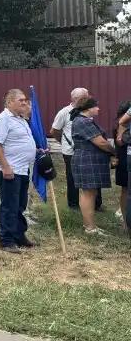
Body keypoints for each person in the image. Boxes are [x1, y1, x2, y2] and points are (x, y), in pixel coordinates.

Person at [0, 89, 37, 254]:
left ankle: (18, 235)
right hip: (9, 170)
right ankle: (6, 240)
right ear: (9, 102)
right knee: (10, 205)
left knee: (20, 204)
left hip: (23, 169)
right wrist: (6, 167)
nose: (25, 103)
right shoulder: (2, 119)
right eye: (21, 100)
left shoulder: (21, 119)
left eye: (25, 100)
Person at [51, 87, 103, 211]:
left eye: (88, 96)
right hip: (70, 151)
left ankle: (96, 204)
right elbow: (54, 131)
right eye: (84, 97)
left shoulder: (86, 110)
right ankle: (74, 204)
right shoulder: (65, 112)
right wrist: (64, 142)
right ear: (75, 99)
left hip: (88, 150)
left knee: (93, 176)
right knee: (72, 177)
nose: (88, 98)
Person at [70, 97, 115, 235]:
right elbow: (101, 142)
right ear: (88, 108)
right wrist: (114, 152)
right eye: (96, 106)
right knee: (88, 193)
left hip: (91, 160)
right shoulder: (82, 121)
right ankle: (89, 227)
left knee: (91, 192)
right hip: (86, 160)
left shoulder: (85, 121)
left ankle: (90, 225)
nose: (98, 109)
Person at [114, 101, 130, 229]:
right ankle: (125, 222)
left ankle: (125, 221)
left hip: (124, 159)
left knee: (125, 190)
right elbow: (119, 143)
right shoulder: (122, 125)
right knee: (125, 190)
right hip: (125, 159)